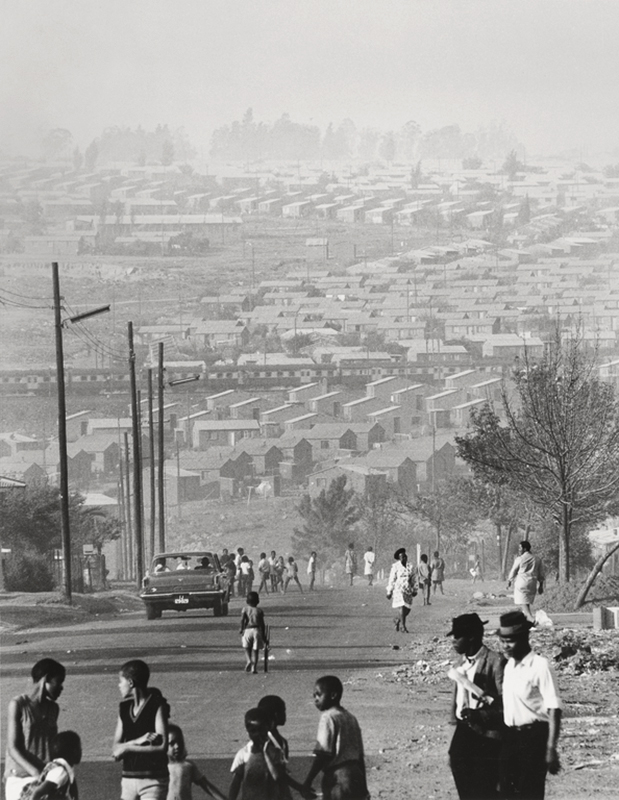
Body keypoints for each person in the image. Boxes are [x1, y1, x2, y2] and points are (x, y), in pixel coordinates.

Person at [498, 610, 562, 800]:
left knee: (529, 793)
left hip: (533, 738)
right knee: (506, 793)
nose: (505, 646)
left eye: (510, 640)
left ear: (524, 638)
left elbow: (554, 709)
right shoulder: (509, 666)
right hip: (509, 737)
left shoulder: (540, 666)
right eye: (502, 640)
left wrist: (551, 748)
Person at [447, 613, 505, 800]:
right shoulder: (460, 664)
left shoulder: (496, 662)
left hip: (487, 736)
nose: (453, 641)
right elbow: (457, 700)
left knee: (484, 789)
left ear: (471, 637)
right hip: (464, 734)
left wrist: (481, 715)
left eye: (457, 636)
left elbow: (505, 704)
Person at [4, 658, 66, 800]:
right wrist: (36, 773)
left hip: (43, 778)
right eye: (59, 681)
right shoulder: (18, 704)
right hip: (19, 777)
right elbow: (13, 748)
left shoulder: (53, 709)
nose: (61, 687)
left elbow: (50, 747)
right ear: (46, 679)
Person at [302, 675, 369, 800]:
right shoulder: (351, 717)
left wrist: (308, 780)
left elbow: (323, 754)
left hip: (338, 778)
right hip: (356, 776)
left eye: (318, 695)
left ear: (333, 695)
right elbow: (360, 757)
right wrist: (364, 787)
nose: (315, 699)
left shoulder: (328, 718)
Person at [112, 659, 170, 800]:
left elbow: (162, 746)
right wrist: (138, 741)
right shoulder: (124, 709)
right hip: (128, 780)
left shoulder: (157, 706)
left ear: (131, 683)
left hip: (153, 780)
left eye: (121, 681)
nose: (119, 686)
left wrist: (127, 748)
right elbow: (115, 749)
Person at [229, 708, 288, 800]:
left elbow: (278, 777)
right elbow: (235, 784)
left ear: (267, 728)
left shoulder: (275, 753)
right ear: (247, 732)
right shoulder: (243, 755)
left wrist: (265, 753)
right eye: (253, 731)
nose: (257, 734)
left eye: (261, 730)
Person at [257, 695, 306, 797]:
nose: (285, 714)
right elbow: (279, 775)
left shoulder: (280, 741)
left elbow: (281, 774)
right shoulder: (268, 743)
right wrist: (299, 787)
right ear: (276, 714)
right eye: (283, 711)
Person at [166, 723, 226, 800]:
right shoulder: (159, 768)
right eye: (172, 743)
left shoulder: (187, 766)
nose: (177, 746)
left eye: (179, 742)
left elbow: (207, 786)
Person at [19, 730, 81, 800]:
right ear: (74, 751)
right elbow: (37, 793)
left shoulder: (59, 768)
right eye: (79, 748)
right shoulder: (60, 772)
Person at [507, 541, 545, 624]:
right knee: (526, 602)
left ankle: (531, 619)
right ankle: (528, 621)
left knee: (522, 602)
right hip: (532, 583)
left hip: (521, 582)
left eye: (520, 548)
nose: (519, 550)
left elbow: (514, 570)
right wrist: (541, 585)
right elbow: (541, 573)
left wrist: (510, 580)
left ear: (525, 549)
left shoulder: (520, 559)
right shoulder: (537, 559)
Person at [386, 548, 418, 633]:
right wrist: (389, 591)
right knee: (402, 607)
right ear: (399, 558)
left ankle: (397, 620)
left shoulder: (410, 566)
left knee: (407, 609)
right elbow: (392, 579)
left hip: (408, 590)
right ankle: (403, 627)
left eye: (405, 556)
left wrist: (415, 589)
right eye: (402, 557)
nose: (404, 558)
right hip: (399, 590)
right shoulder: (395, 567)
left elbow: (414, 578)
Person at [240, 591, 267, 674]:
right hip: (257, 630)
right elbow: (262, 624)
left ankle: (248, 660)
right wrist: (264, 636)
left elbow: (242, 620)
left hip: (247, 630)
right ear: (258, 601)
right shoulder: (259, 611)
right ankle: (254, 668)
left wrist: (241, 629)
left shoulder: (245, 609)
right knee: (255, 650)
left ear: (247, 601)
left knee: (247, 648)